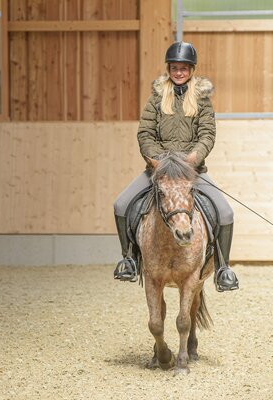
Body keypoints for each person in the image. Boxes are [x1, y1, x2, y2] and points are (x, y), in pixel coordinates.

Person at [112, 41, 239, 292]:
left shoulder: (202, 100)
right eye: (174, 68)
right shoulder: (157, 98)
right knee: (121, 204)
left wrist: (194, 158)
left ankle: (223, 268)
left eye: (183, 68)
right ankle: (129, 259)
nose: (178, 72)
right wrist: (154, 159)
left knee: (225, 213)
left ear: (191, 70)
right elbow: (145, 133)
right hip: (159, 170)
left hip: (192, 171)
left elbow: (207, 134)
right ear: (168, 69)